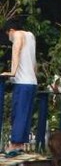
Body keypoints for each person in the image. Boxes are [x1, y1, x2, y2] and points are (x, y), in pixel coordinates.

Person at [1, 20, 36, 156]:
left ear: (10, 30)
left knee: (18, 113)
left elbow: (16, 51)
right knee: (26, 114)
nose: (9, 38)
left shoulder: (17, 35)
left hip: (22, 82)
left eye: (7, 34)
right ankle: (21, 144)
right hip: (32, 82)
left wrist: (12, 72)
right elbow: (33, 61)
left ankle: (14, 144)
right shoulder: (31, 36)